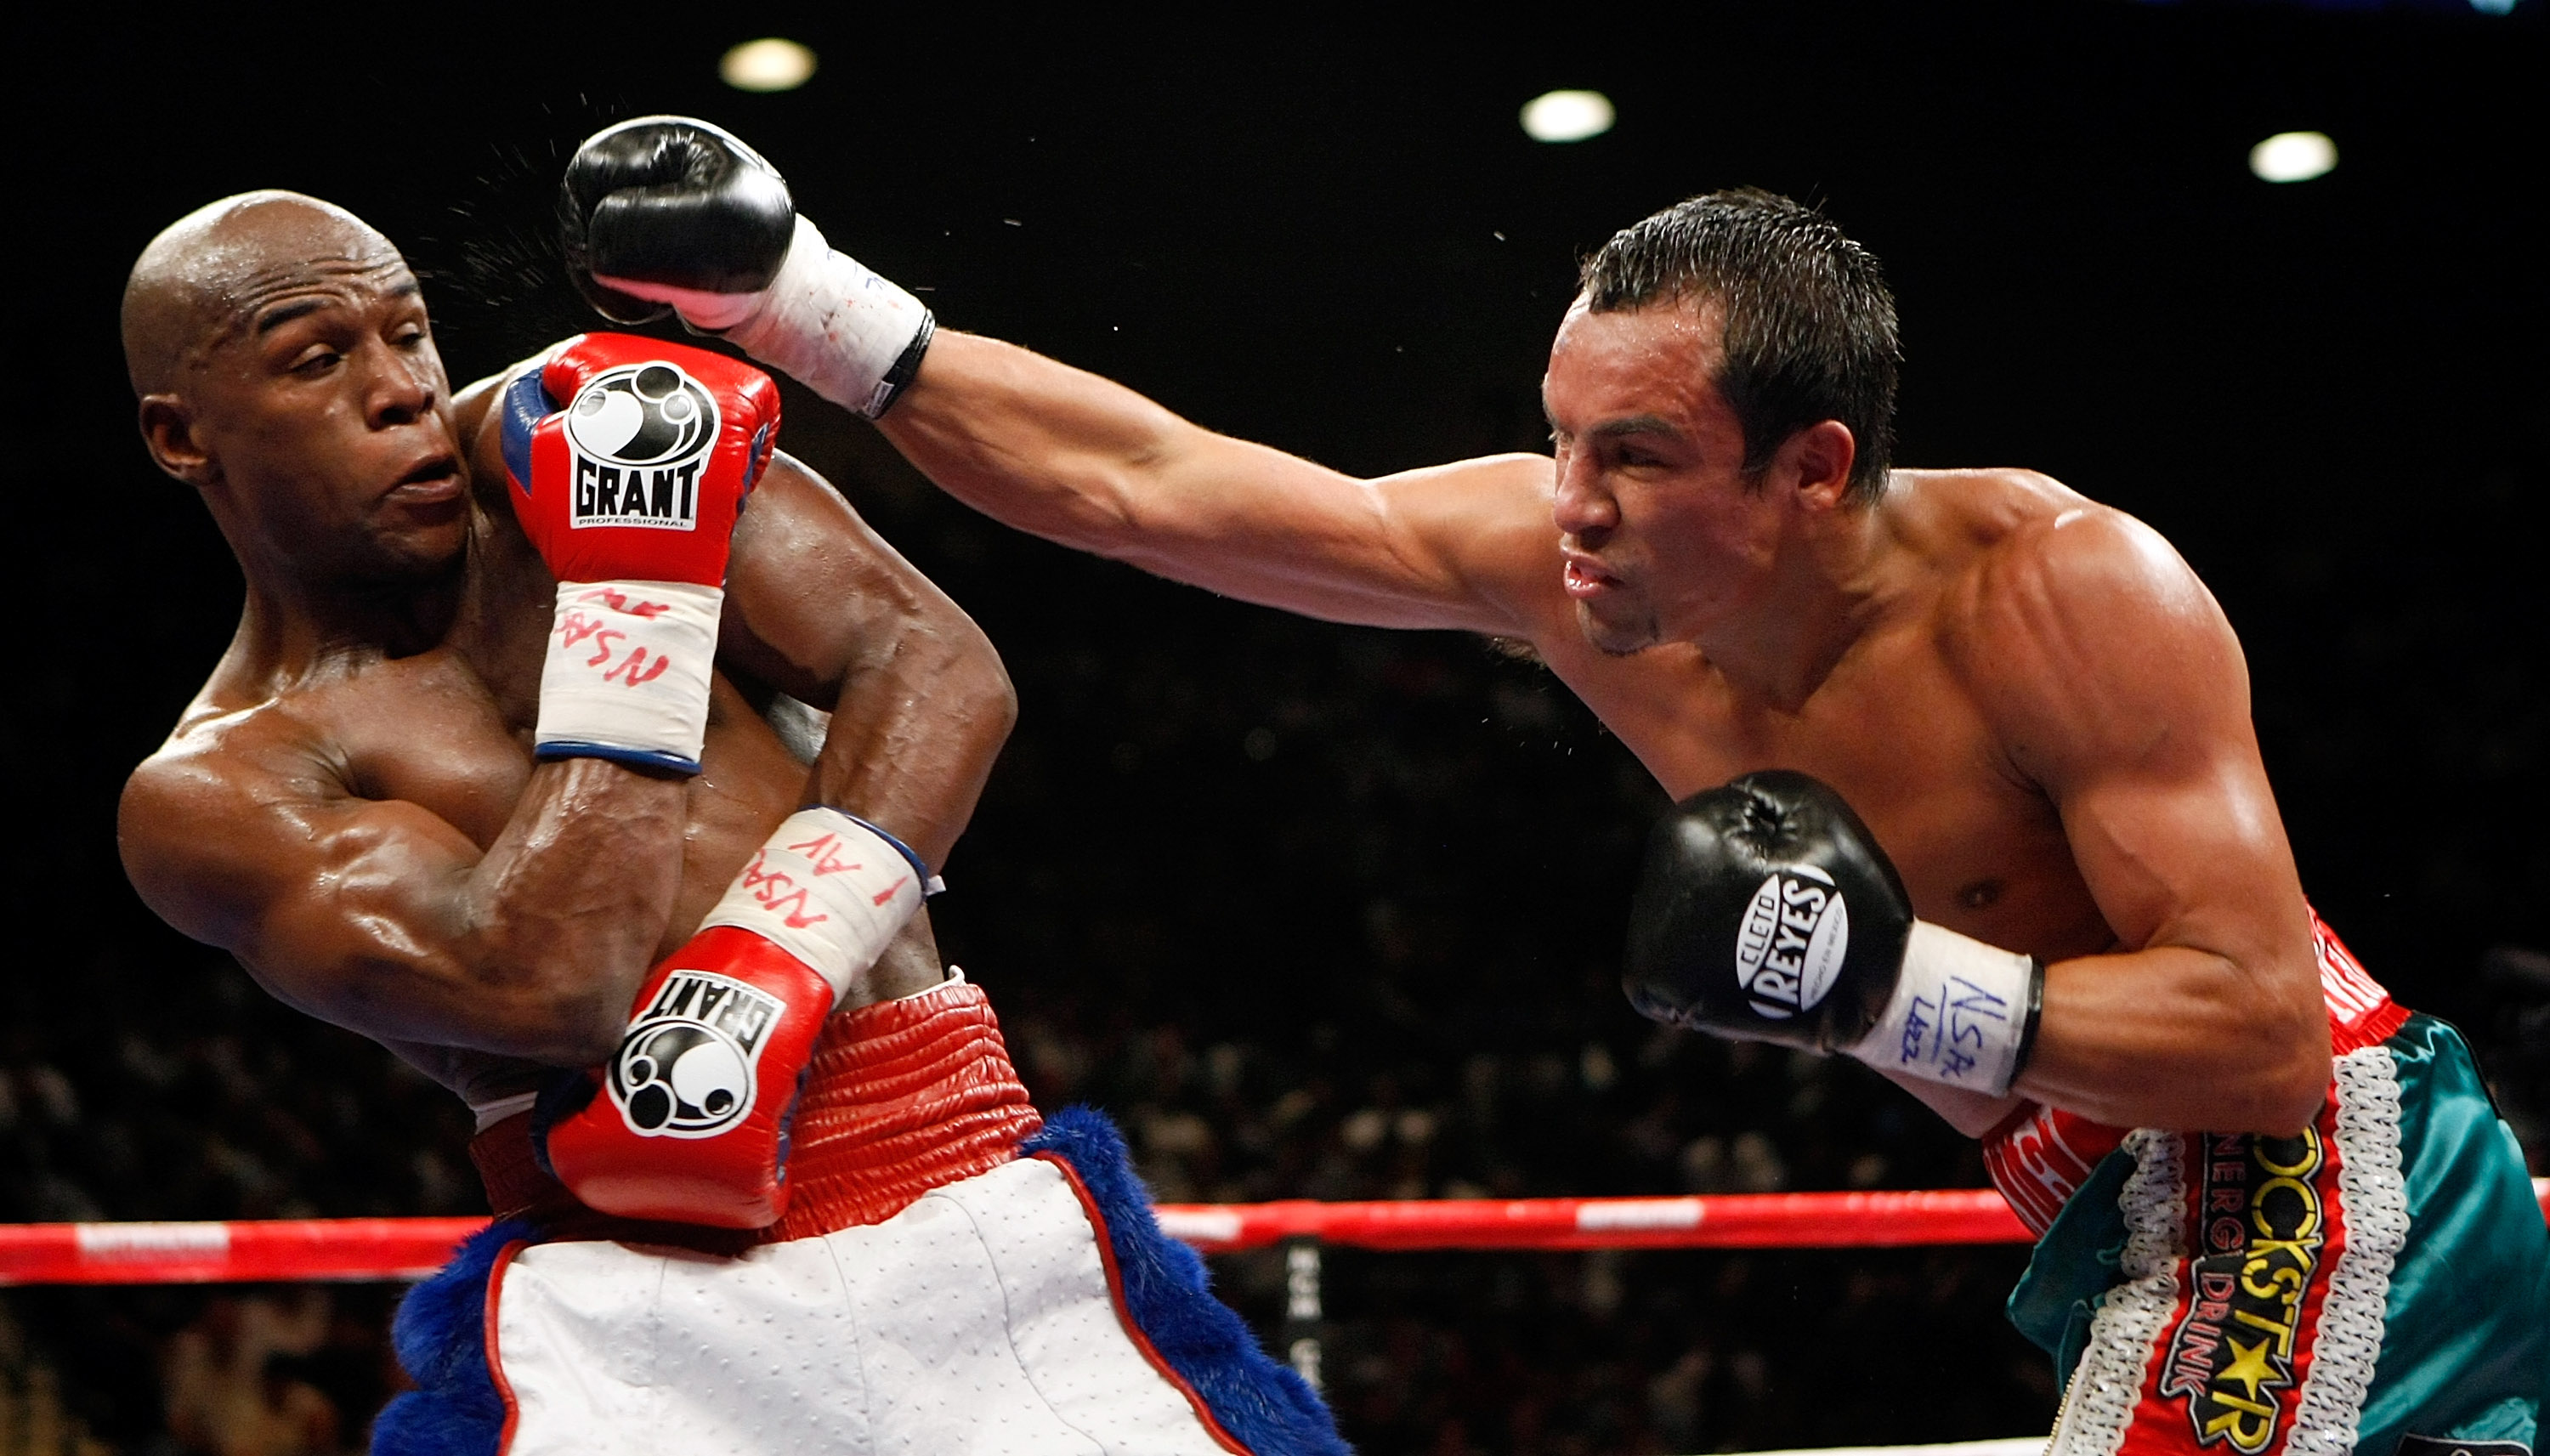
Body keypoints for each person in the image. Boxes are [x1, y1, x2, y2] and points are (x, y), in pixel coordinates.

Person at [554, 117, 2548, 1455]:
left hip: (2316, 1169)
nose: (1570, 510)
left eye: (1641, 460)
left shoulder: (2065, 593)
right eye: (1558, 437)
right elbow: (1157, 483)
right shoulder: (1563, 569)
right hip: (2092, 1189)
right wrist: (800, 299)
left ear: (1813, 471)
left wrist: (1876, 983)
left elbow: (2268, 1035)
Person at [115, 188, 1342, 1455]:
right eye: (319, 360)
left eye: (408, 332)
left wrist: (775, 959)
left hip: (956, 1194)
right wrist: (638, 591)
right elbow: (548, 986)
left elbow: (931, 666)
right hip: (628, 1320)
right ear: (181, 435)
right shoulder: (221, 791)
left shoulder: (591, 423)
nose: (400, 389)